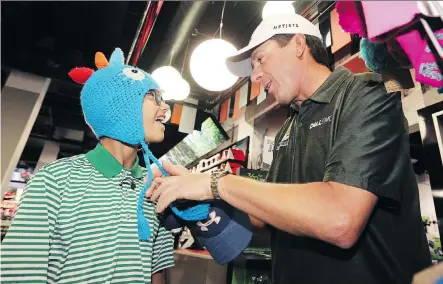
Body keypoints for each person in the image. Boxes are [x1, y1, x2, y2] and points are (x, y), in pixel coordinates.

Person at [146, 13, 432, 284]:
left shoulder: (366, 94)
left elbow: (339, 219)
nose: (255, 76)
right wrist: (202, 202)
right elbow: (269, 220)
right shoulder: (289, 127)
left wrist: (216, 183)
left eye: (260, 59)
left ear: (298, 44)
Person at [1, 48, 175, 284]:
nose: (166, 109)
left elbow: (158, 271)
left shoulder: (157, 187)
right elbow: (19, 273)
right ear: (120, 105)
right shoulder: (54, 180)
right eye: (154, 97)